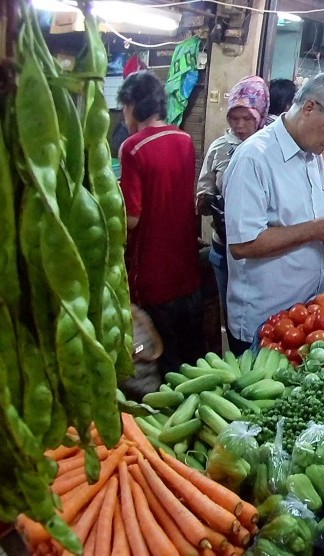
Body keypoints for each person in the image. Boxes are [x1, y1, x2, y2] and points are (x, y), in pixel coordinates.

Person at [222, 71, 324, 353]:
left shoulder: (313, 157)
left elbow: (301, 221)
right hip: (264, 323)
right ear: (310, 107)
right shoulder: (254, 158)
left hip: (306, 314)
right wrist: (315, 230)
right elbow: (243, 244)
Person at [117, 71, 203, 373]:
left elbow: (131, 218)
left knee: (165, 371)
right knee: (193, 367)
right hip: (188, 274)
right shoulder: (184, 140)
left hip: (154, 279)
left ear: (132, 104)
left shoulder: (132, 148)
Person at [196, 76, 270, 325]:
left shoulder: (269, 148)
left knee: (261, 316)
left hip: (262, 250)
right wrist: (210, 202)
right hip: (224, 247)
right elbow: (203, 189)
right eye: (234, 118)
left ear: (260, 115)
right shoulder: (219, 148)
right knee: (231, 314)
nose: (240, 125)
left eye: (247, 118)